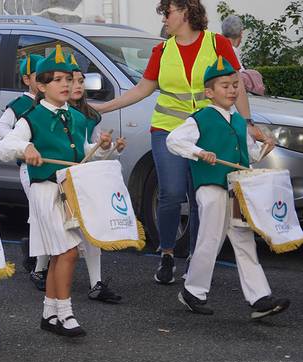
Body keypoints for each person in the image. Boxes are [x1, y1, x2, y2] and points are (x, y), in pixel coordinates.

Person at [93, 0, 261, 286]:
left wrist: (247, 123)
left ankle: (196, 260)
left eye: (167, 12)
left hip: (208, 131)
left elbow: (237, 84)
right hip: (168, 130)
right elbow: (143, 88)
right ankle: (167, 254)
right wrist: (103, 108)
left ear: (185, 12)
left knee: (201, 195)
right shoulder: (163, 49)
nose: (163, 18)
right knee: (170, 192)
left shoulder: (217, 43)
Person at [0, 45, 113, 337]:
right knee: (68, 252)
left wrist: (103, 148)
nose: (66, 85)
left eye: (69, 79)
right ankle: (66, 313)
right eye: (58, 80)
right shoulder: (31, 118)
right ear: (41, 85)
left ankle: (50, 313)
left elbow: (82, 154)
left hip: (70, 190)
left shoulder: (74, 116)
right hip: (46, 191)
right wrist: (26, 147)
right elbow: (5, 147)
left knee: (63, 254)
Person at [166, 56, 288, 320]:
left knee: (244, 240)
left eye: (235, 85)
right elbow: (173, 141)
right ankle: (193, 291)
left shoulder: (239, 121)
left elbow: (248, 156)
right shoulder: (201, 118)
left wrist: (264, 148)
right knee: (210, 239)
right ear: (209, 92)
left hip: (237, 189)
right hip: (211, 187)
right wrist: (199, 152)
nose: (232, 90)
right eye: (225, 85)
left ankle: (259, 298)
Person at [68, 66, 124, 304]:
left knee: (88, 228)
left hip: (82, 177)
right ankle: (40, 269)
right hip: (53, 179)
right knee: (59, 232)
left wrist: (108, 148)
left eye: (81, 81)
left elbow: (90, 153)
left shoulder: (90, 116)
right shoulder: (42, 113)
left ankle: (96, 283)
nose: (78, 86)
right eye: (70, 81)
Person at [0, 54, 48, 289]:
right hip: (30, 168)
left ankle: (36, 251)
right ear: (27, 79)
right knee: (39, 211)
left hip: (53, 166)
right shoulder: (20, 105)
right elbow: (0, 127)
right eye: (40, 77)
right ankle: (38, 261)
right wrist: (20, 145)